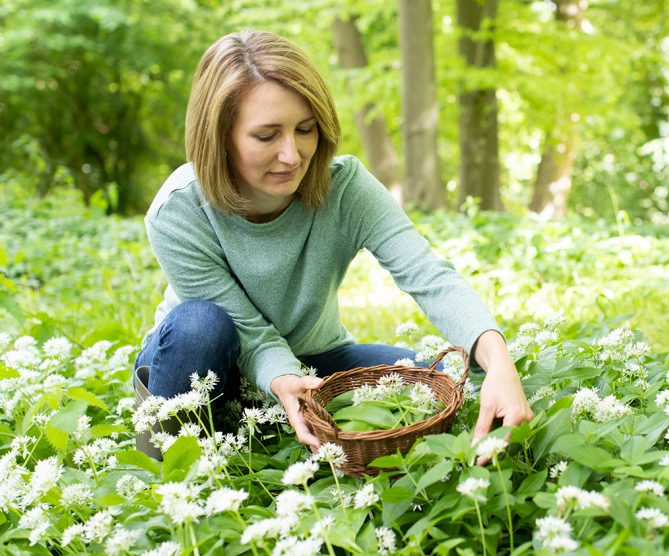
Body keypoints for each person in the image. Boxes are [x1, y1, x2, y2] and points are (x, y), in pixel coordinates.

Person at [134, 30, 532, 460]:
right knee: (200, 324)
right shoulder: (178, 210)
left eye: (305, 129)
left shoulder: (346, 188)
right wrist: (281, 379)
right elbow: (247, 331)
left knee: (442, 375)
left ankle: (277, 418)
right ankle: (170, 449)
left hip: (315, 362)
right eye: (267, 136)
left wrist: (498, 360)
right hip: (210, 363)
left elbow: (429, 277)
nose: (292, 155)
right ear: (220, 136)